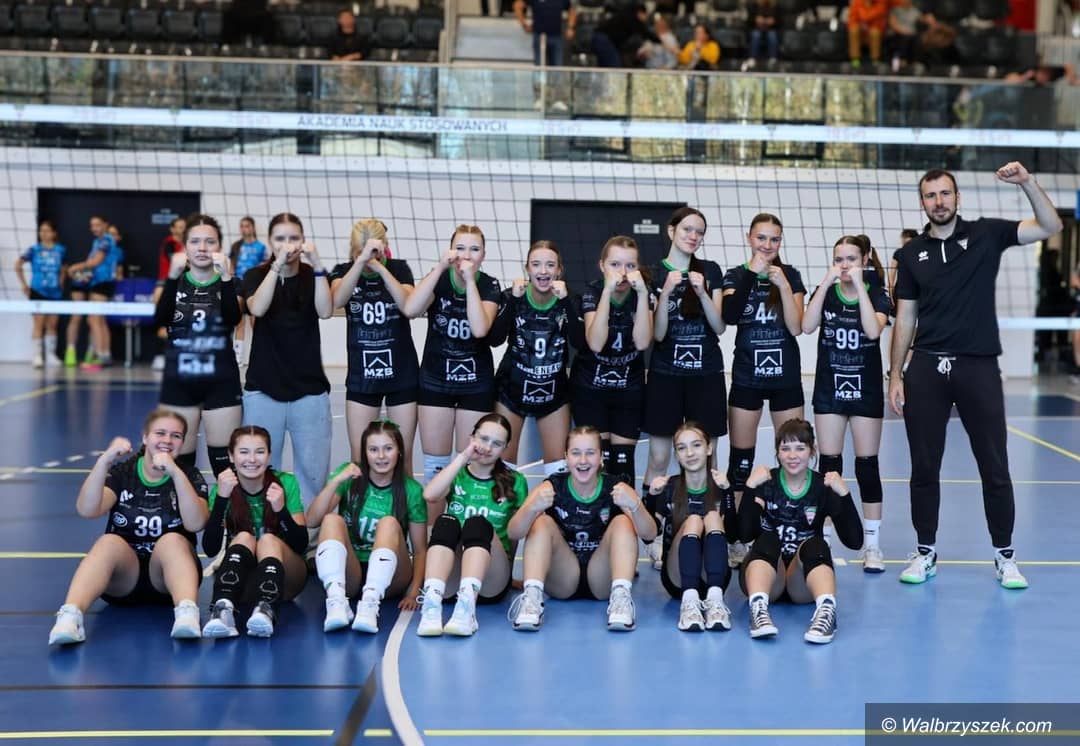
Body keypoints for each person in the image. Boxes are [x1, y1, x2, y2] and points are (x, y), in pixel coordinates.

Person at [889, 163, 1062, 589]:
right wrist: (895, 374)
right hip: (926, 367)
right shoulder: (910, 255)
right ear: (922, 202)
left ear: (957, 197)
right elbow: (905, 317)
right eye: (931, 195)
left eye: (945, 193)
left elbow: (1050, 226)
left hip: (978, 366)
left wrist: (1027, 182)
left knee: (994, 465)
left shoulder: (986, 233)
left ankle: (1005, 555)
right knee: (923, 466)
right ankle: (925, 552)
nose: (939, 201)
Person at [48, 409, 209, 645]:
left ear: (182, 443)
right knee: (108, 542)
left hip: (167, 581)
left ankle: (186, 614)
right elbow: (87, 509)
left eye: (175, 436)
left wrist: (175, 473)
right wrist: (104, 461)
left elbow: (196, 523)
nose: (167, 440)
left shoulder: (189, 475)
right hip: (124, 578)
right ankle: (70, 616)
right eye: (160, 433)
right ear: (145, 437)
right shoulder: (124, 472)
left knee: (172, 540)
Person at [507, 426, 656, 632]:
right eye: (576, 453)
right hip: (562, 577)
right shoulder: (552, 487)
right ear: (566, 457)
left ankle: (621, 598)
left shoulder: (615, 487)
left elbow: (650, 534)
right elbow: (514, 533)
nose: (583, 460)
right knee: (541, 522)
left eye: (590, 453)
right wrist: (531, 508)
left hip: (602, 577)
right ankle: (532, 598)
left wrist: (635, 505)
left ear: (601, 457)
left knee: (623, 522)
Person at [642, 208, 727, 570]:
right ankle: (653, 537)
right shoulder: (653, 273)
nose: (693, 236)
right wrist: (666, 292)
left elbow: (719, 326)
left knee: (709, 458)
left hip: (705, 375)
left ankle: (713, 530)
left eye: (699, 232)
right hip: (666, 375)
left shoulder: (711, 271)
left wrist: (702, 292)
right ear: (671, 230)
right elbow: (658, 334)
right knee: (658, 458)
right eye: (687, 229)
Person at [802, 235, 892, 572]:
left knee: (867, 466)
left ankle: (872, 546)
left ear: (865, 260)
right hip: (830, 389)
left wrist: (862, 287)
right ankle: (822, 540)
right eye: (838, 259)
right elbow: (806, 326)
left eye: (851, 259)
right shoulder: (826, 290)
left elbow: (872, 331)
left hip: (865, 389)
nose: (844, 265)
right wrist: (826, 283)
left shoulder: (878, 292)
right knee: (829, 466)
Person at [721, 213, 806, 565]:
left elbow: (797, 327)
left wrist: (783, 285)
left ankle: (793, 534)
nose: (767, 245)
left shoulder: (791, 275)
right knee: (740, 463)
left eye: (774, 239)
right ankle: (736, 538)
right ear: (749, 238)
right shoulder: (734, 275)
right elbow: (729, 316)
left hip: (785, 377)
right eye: (761, 238)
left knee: (793, 458)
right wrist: (752, 275)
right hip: (747, 377)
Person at [737, 418, 862, 644]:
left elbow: (854, 541)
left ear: (812, 450)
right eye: (785, 448)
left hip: (802, 582)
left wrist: (844, 495)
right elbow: (744, 534)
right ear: (777, 452)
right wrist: (749, 488)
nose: (792, 455)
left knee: (816, 544)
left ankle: (826, 611)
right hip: (767, 578)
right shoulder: (767, 482)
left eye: (800, 448)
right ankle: (758, 610)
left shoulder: (822, 486)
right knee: (767, 539)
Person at [240, 213, 334, 508]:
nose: (287, 244)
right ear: (270, 242)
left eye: (293, 238)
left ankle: (309, 532)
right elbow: (257, 308)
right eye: (280, 238)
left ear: (303, 241)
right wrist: (276, 266)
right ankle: (264, 527)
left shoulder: (313, 275)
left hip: (309, 391)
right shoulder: (256, 275)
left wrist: (317, 265)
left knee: (313, 475)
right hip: (263, 389)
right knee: (260, 471)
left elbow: (326, 311)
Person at [403, 225, 501, 485]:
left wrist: (470, 282)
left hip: (475, 383)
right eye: (460, 248)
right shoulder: (439, 279)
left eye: (474, 249)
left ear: (483, 255)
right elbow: (410, 309)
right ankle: (435, 513)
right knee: (436, 468)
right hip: (435, 381)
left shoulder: (489, 284)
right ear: (450, 251)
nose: (466, 255)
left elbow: (479, 329)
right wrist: (438, 268)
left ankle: (462, 512)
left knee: (469, 465)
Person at [309, 420, 428, 633]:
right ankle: (337, 602)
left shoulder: (411, 490)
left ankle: (370, 605)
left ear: (399, 451)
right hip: (352, 572)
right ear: (364, 453)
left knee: (388, 523)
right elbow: (312, 520)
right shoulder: (350, 476)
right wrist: (336, 481)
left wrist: (413, 592)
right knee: (330, 520)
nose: (381, 456)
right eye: (373, 450)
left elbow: (420, 550)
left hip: (392, 576)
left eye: (388, 448)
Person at [417, 414, 528, 637]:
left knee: (477, 523)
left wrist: (507, 573)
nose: (487, 447)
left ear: (505, 448)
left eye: (496, 443)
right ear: (472, 437)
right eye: (483, 439)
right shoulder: (456, 474)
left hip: (490, 581)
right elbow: (429, 495)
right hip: (452, 582)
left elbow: (515, 536)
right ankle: (431, 605)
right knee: (446, 521)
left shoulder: (515, 481)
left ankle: (466, 609)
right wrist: (464, 456)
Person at [154, 214, 243, 478]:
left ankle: (224, 507)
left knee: (226, 467)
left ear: (219, 247)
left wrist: (226, 278)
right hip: (180, 379)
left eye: (209, 241)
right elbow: (160, 319)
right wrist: (172, 277)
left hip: (221, 380)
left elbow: (232, 319)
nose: (202, 248)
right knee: (178, 466)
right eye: (195, 241)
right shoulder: (174, 281)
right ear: (184, 247)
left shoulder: (231, 283)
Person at [201, 426, 309, 638]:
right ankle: (223, 610)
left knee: (268, 540)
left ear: (269, 455)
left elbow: (301, 545)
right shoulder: (223, 487)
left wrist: (281, 511)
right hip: (242, 580)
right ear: (231, 456)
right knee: (244, 537)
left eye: (259, 452)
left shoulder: (285, 483)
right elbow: (210, 548)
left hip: (286, 579)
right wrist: (222, 499)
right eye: (244, 452)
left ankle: (266, 609)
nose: (252, 459)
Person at [329, 219, 418, 468]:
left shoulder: (399, 269)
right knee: (359, 459)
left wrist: (380, 267)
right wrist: (359, 262)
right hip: (362, 376)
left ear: (385, 247)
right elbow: (337, 300)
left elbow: (408, 306)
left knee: (403, 457)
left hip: (401, 374)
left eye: (374, 252)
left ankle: (403, 497)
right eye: (361, 252)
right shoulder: (343, 270)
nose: (369, 258)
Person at [568, 236, 653, 491]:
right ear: (602, 266)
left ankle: (623, 513)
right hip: (590, 390)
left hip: (628, 390)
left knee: (623, 465)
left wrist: (642, 294)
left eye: (630, 265)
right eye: (615, 264)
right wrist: (606, 292)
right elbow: (595, 342)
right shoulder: (592, 292)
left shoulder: (642, 294)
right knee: (598, 461)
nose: (622, 272)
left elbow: (642, 342)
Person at [489, 241, 580, 476]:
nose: (543, 271)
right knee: (503, 467)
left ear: (559, 270)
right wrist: (512, 300)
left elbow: (580, 343)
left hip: (553, 393)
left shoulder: (569, 299)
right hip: (512, 390)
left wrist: (566, 302)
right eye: (536, 264)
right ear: (527, 269)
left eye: (550, 265)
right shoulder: (511, 296)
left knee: (558, 469)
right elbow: (495, 339)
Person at [645, 422, 736, 631]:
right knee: (694, 520)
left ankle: (715, 602)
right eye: (682, 448)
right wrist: (651, 497)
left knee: (712, 516)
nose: (690, 453)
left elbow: (733, 535)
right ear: (676, 455)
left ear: (709, 448)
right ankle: (689, 602)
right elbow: (648, 535)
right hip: (677, 579)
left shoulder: (720, 485)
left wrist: (728, 492)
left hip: (714, 577)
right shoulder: (669, 486)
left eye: (696, 445)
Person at [65, 215, 122, 369]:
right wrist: (83, 274)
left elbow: (96, 262)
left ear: (105, 225)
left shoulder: (106, 240)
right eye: (92, 225)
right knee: (99, 320)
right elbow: (93, 264)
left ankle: (100, 356)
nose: (94, 228)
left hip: (103, 283)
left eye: (98, 225)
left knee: (94, 319)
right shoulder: (97, 241)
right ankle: (105, 355)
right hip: (98, 282)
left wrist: (75, 268)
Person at [16, 220, 66, 369]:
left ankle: (50, 355)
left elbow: (64, 268)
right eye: (41, 230)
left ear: (54, 233)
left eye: (47, 230)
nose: (43, 233)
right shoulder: (34, 250)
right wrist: (24, 284)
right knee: (39, 323)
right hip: (38, 290)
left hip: (55, 291)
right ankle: (37, 356)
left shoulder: (60, 250)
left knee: (52, 324)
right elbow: (17, 264)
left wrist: (61, 281)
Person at [229, 215, 268, 365]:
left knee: (255, 321)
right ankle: (238, 358)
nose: (244, 229)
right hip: (239, 284)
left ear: (252, 227)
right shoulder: (236, 246)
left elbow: (265, 265)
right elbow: (231, 266)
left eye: (247, 226)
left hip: (254, 285)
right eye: (242, 226)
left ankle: (259, 356)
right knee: (239, 321)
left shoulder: (261, 247)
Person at [592, 3, 657, 68]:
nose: (646, 18)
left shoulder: (627, 15)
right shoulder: (632, 19)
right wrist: (659, 40)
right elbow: (645, 33)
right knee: (614, 66)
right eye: (645, 15)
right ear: (640, 12)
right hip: (603, 39)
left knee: (606, 66)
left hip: (601, 38)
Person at [514, 0, 576, 68]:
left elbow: (571, 10)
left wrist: (570, 27)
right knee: (539, 65)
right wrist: (524, 25)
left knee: (557, 66)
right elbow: (518, 5)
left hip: (557, 36)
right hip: (539, 36)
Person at [847, 0, 888, 68]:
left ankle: (875, 59)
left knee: (875, 32)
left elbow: (878, 17)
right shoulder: (857, 2)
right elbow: (852, 19)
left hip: (874, 30)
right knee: (853, 30)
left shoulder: (880, 3)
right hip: (861, 31)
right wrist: (860, 25)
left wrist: (865, 21)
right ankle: (855, 59)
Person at [747, 0, 779, 65]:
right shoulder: (754, 6)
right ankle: (752, 58)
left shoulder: (776, 6)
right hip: (757, 28)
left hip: (771, 29)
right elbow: (749, 20)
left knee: (772, 36)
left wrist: (773, 21)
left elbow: (780, 21)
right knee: (756, 35)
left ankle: (773, 58)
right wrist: (756, 20)